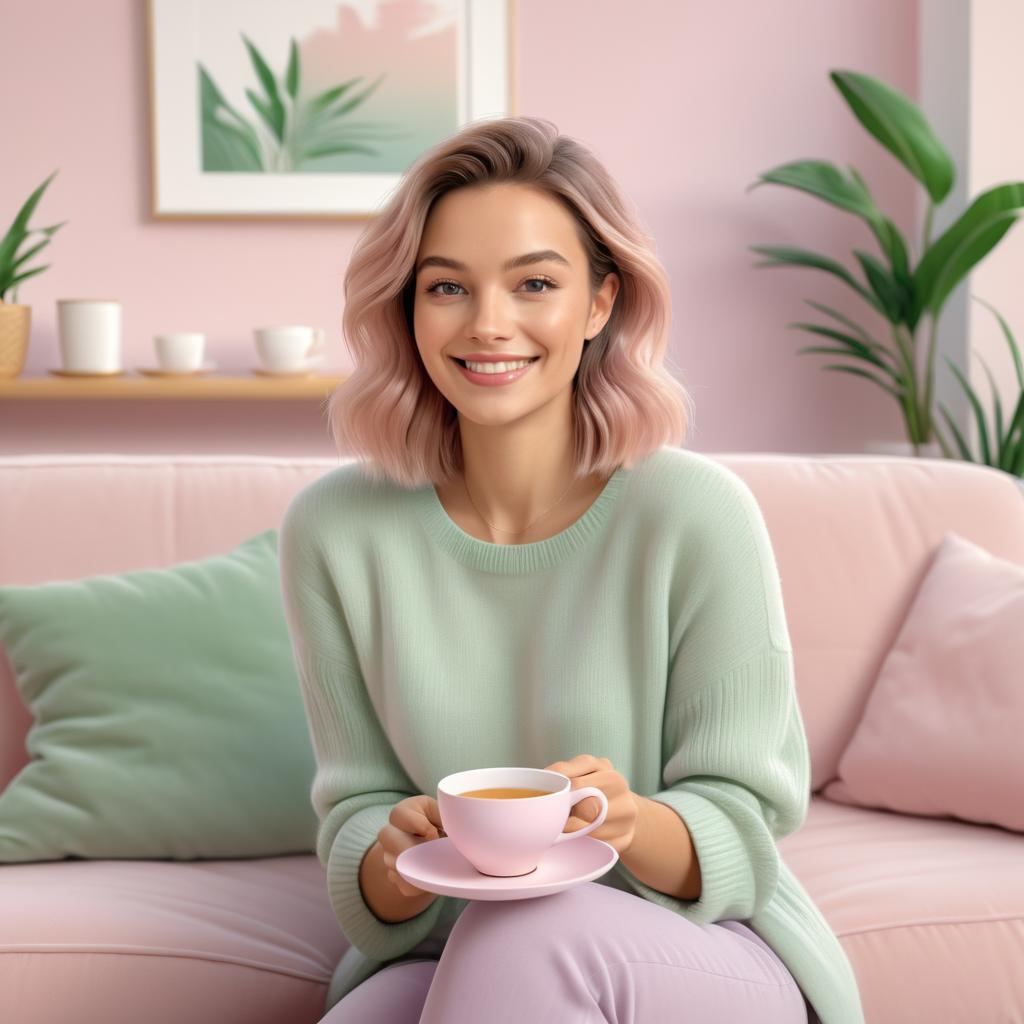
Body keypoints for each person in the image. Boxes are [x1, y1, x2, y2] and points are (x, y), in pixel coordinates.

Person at [278, 115, 864, 1023]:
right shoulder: (335, 530)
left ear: (599, 303)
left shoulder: (695, 514)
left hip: (703, 950)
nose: (488, 325)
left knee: (522, 937)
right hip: (451, 952)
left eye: (535, 284)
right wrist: (393, 851)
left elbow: (744, 823)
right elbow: (355, 815)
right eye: (446, 287)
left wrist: (627, 821)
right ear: (406, 306)